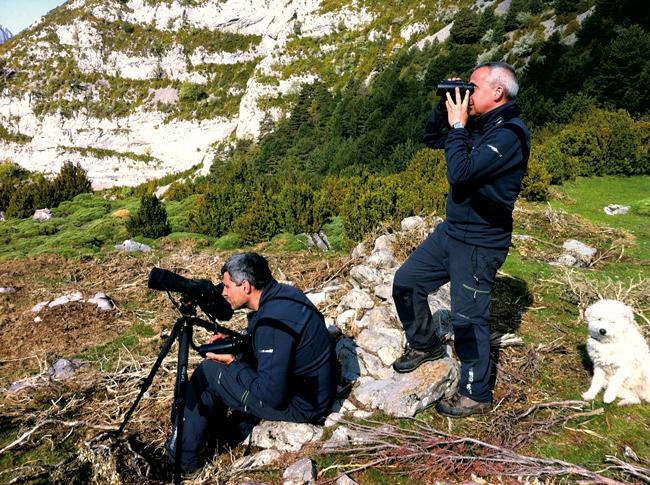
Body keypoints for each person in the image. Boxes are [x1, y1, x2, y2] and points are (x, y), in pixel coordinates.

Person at [391, 62, 530, 418]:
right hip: (452, 231)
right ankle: (425, 345)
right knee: (406, 283)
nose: (467, 94)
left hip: (481, 241)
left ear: (497, 92)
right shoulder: (481, 124)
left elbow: (461, 172)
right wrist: (447, 107)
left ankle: (475, 392)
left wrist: (458, 125)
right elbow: (433, 139)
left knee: (469, 319)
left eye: (473, 87)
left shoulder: (509, 135)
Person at [166, 252, 338, 472]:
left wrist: (233, 363)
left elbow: (272, 395)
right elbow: (280, 348)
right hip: (315, 389)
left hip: (303, 407)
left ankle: (183, 462)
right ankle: (209, 432)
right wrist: (237, 346)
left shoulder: (271, 323)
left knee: (208, 372)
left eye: (227, 287)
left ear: (245, 286)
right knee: (222, 366)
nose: (224, 293)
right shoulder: (286, 295)